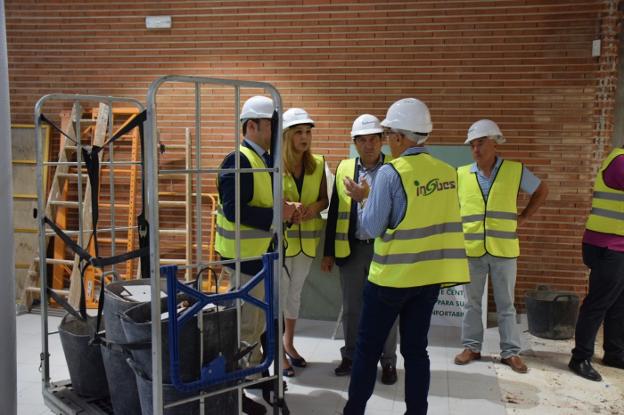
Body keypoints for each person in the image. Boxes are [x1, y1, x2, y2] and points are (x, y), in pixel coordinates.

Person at [342, 98, 470, 415]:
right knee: (416, 352)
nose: (385, 141)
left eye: (386, 135)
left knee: (367, 351)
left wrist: (362, 199)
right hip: (428, 281)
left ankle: (353, 411)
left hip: (390, 280)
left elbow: (371, 228)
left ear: (399, 137)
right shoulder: (448, 173)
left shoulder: (390, 173)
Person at [215, 95, 297, 414]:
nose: (277, 133)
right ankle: (237, 395)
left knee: (257, 325)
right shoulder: (238, 160)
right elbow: (236, 210)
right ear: (253, 125)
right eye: (272, 126)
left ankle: (255, 377)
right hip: (245, 262)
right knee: (245, 329)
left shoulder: (262, 159)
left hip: (261, 259)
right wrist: (280, 215)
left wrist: (284, 212)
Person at [454, 119, 548, 374]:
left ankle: (511, 352)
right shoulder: (461, 174)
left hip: (504, 249)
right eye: (472, 144)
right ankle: (471, 347)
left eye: (481, 142)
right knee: (471, 302)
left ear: (495, 142)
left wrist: (525, 216)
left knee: (507, 305)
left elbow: (541, 190)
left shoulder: (515, 170)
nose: (476, 149)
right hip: (473, 248)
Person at [321, 114, 399, 385]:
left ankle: (388, 362)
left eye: (374, 139)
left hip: (386, 251)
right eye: (362, 140)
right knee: (352, 308)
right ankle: (351, 357)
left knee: (386, 308)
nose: (368, 145)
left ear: (382, 141)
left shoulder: (395, 168)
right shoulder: (343, 168)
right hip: (352, 250)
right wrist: (328, 251)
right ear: (355, 143)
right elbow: (334, 213)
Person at [569, 145, 624, 382]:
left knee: (618, 304)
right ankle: (579, 357)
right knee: (598, 303)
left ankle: (614, 353)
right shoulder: (620, 161)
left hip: (615, 244)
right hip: (607, 245)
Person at [280, 107, 328, 377]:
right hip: (282, 243)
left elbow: (325, 198)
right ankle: (277, 352)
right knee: (280, 294)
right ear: (287, 136)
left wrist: (312, 208)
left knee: (295, 294)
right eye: (298, 132)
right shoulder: (275, 163)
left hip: (307, 242)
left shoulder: (318, 163)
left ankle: (289, 343)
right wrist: (288, 208)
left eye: (308, 132)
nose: (305, 137)